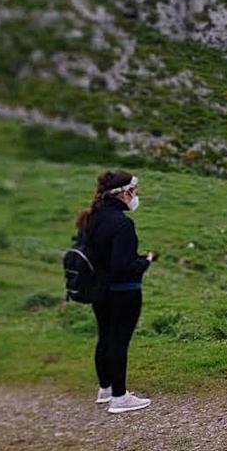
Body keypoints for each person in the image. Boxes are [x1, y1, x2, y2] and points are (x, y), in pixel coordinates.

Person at [75, 170, 156, 414]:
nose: (137, 195)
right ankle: (120, 398)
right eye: (135, 190)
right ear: (125, 192)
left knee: (105, 338)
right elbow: (123, 266)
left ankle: (106, 389)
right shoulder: (122, 223)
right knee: (119, 342)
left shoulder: (92, 218)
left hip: (99, 290)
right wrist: (146, 261)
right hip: (124, 291)